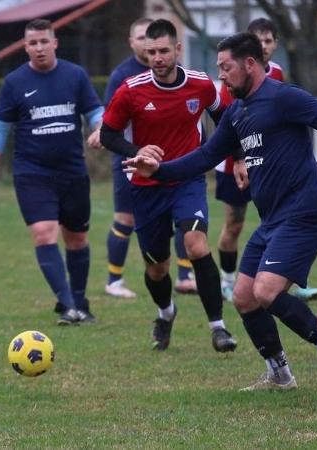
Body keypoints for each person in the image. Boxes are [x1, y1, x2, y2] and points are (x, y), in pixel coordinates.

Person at [123, 32, 317, 396]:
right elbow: (204, 157)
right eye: (218, 70)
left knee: (265, 290)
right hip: (272, 221)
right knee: (245, 296)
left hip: (304, 213)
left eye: (226, 68)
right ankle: (279, 372)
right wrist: (158, 170)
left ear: (250, 64)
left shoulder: (283, 97)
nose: (222, 77)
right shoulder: (236, 113)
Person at [100, 19, 238, 352]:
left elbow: (227, 118)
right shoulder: (131, 90)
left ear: (178, 49)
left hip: (187, 179)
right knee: (157, 267)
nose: (157, 58)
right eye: (151, 52)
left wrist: (237, 157)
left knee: (196, 245)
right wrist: (137, 152)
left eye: (163, 51)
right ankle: (166, 312)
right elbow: (107, 135)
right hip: (146, 187)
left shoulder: (201, 85)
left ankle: (218, 328)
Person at [0, 19, 102, 325]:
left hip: (72, 170)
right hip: (32, 172)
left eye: (44, 41)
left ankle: (79, 301)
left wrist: (101, 129)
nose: (39, 48)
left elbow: (96, 111)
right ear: (26, 46)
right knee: (44, 233)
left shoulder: (75, 75)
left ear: (54, 42)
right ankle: (68, 304)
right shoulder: (15, 82)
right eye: (32, 43)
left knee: (76, 238)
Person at [88, 18, 198, 300]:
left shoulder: (176, 72)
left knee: (184, 220)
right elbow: (110, 115)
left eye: (159, 47)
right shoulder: (122, 75)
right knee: (125, 219)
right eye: (139, 39)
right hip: (131, 160)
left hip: (172, 163)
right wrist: (102, 132)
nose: (153, 52)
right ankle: (114, 279)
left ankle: (185, 276)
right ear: (133, 43)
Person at [214, 18, 317, 304]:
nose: (264, 45)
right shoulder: (233, 74)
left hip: (266, 161)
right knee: (235, 223)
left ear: (274, 45)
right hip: (235, 160)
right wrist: (238, 159)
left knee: (283, 215)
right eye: (257, 40)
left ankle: (291, 278)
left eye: (268, 40)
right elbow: (232, 121)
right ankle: (228, 280)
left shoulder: (277, 75)